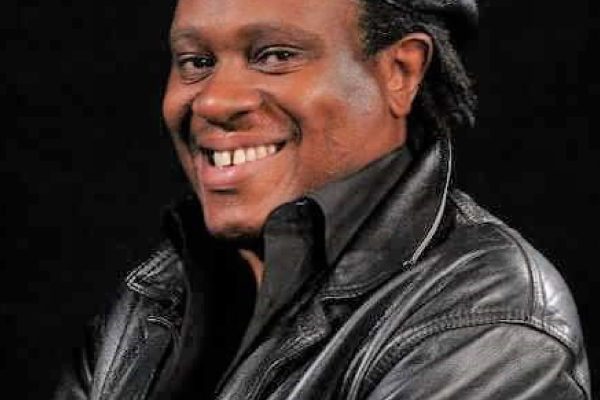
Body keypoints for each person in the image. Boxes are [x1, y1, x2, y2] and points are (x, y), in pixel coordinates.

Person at [55, 0, 591, 398]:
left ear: (400, 72)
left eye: (274, 55)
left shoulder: (486, 320)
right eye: (196, 62)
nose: (215, 100)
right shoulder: (156, 296)